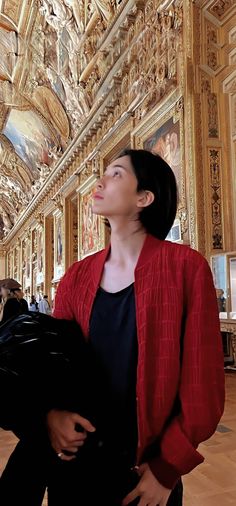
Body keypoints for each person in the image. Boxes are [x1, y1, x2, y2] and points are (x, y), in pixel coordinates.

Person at [0, 150, 224, 506]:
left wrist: (167, 468)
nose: (100, 182)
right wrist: (50, 416)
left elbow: (203, 387)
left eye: (116, 174)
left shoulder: (185, 269)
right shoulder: (76, 277)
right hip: (75, 464)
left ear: (144, 198)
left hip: (144, 471)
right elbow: (53, 368)